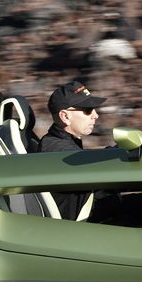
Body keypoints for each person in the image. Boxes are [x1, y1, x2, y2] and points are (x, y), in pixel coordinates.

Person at [38, 80, 106, 220]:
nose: (95, 115)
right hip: (79, 229)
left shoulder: (63, 142)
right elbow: (98, 163)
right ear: (65, 116)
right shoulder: (56, 149)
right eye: (88, 110)